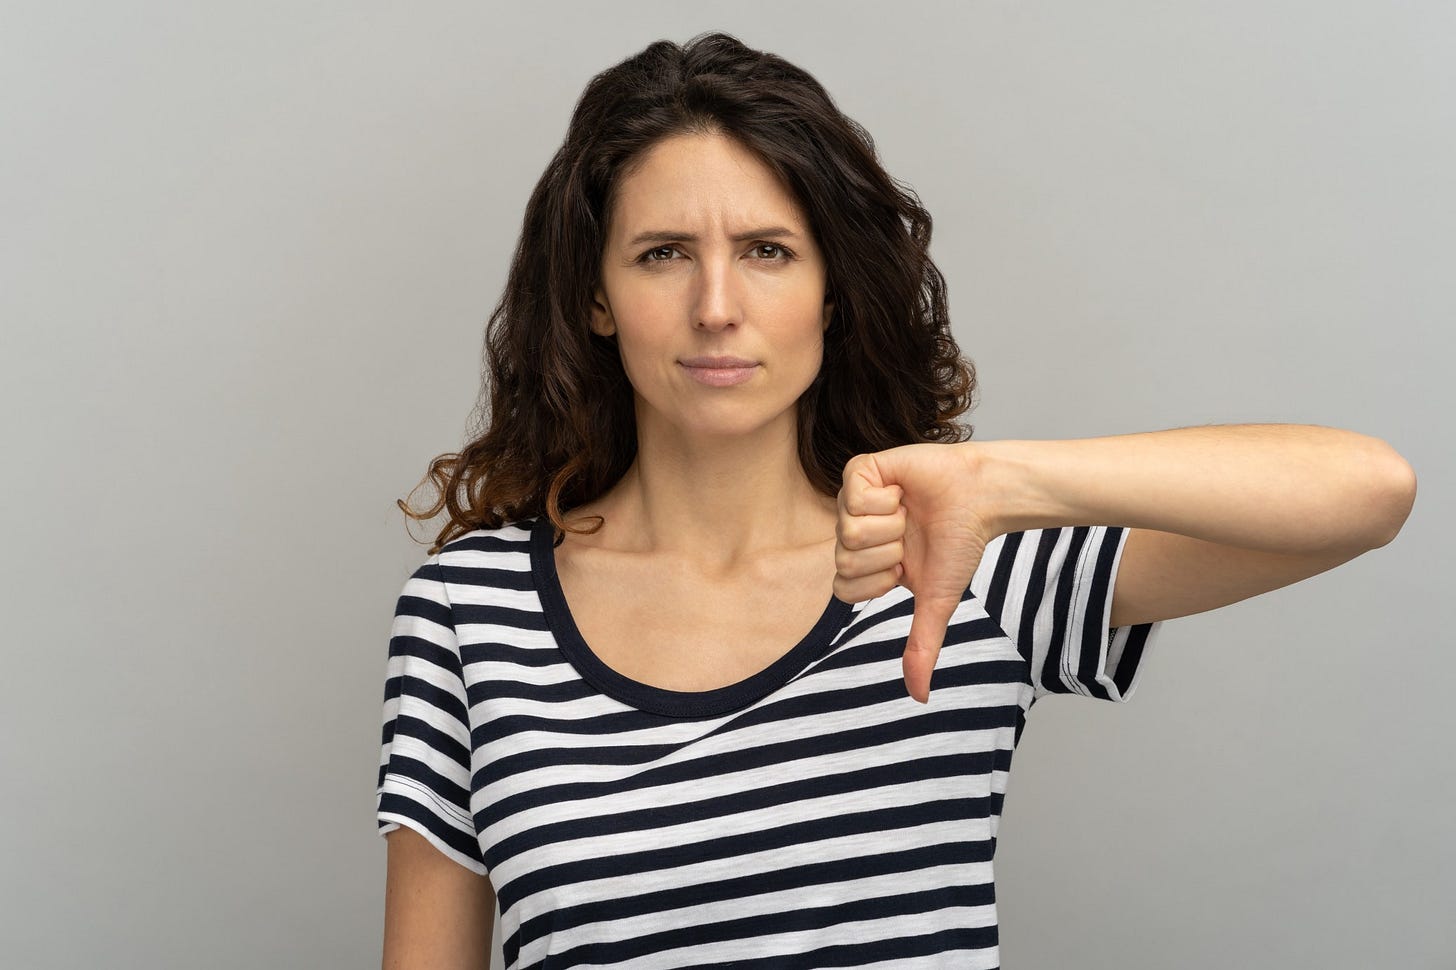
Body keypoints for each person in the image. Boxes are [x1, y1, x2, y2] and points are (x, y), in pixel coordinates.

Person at [375, 31, 1416, 970]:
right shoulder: (469, 612)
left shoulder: (960, 554)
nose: (716, 307)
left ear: (830, 288)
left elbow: (1366, 491)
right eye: (662, 255)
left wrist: (1000, 483)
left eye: (766, 251)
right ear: (596, 296)